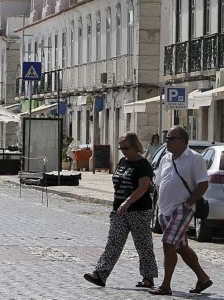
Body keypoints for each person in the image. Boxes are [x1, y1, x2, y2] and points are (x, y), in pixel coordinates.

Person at [83, 133, 157, 289]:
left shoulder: (143, 164)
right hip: (119, 211)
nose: (123, 151)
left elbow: (143, 187)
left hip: (139, 210)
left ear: (135, 146)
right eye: (120, 148)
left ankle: (148, 278)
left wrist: (128, 202)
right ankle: (100, 274)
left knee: (143, 245)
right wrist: (120, 203)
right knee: (113, 243)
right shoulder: (123, 161)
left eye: (126, 147)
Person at [150, 125, 212, 296]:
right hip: (164, 209)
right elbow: (159, 182)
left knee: (168, 242)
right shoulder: (166, 158)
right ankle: (203, 278)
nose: (167, 142)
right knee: (180, 247)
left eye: (171, 139)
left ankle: (165, 285)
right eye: (167, 138)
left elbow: (203, 184)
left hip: (182, 208)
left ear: (183, 141)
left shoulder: (195, 158)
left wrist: (189, 203)